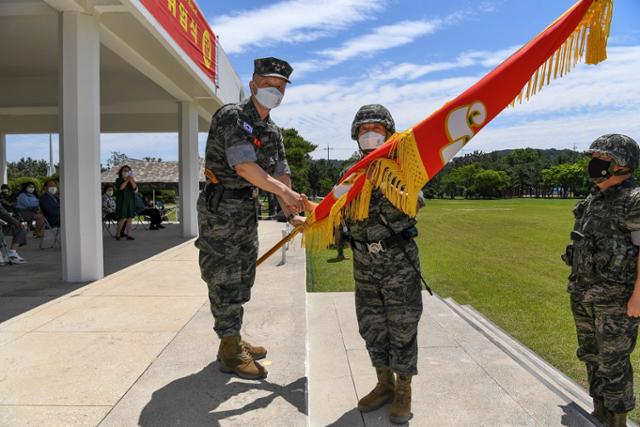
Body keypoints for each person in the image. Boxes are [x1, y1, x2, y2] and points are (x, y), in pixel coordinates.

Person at [305, 105, 424, 424]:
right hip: (364, 264)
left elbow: (415, 204)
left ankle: (403, 389)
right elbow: (336, 212)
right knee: (372, 327)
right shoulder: (349, 173)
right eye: (363, 129)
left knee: (402, 327)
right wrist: (312, 216)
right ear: (356, 136)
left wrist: (381, 175)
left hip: (398, 263)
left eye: (376, 128)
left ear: (388, 132)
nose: (369, 133)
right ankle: (384, 383)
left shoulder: (403, 166)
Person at [196, 57, 305, 380]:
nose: (274, 91)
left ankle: (232, 338)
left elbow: (280, 174)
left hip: (246, 210)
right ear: (254, 82)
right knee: (223, 277)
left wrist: (293, 213)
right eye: (268, 84)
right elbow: (245, 167)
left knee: (243, 276)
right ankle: (230, 350)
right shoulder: (232, 116)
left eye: (281, 87)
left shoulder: (272, 131)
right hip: (221, 210)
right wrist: (285, 196)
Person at [564, 134, 640, 427]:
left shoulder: (633, 201)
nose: (595, 165)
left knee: (614, 362)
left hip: (616, 300)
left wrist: (637, 297)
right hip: (583, 294)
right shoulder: (593, 199)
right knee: (590, 354)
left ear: (622, 164)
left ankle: (618, 419)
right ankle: (600, 412)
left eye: (603, 159)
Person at [114, 165, 136, 241]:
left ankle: (129, 235)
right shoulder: (118, 180)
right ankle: (118, 234)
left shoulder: (132, 180)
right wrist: (126, 181)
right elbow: (121, 188)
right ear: (121, 172)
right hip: (122, 201)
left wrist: (131, 180)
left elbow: (134, 188)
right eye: (124, 170)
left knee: (130, 218)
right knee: (123, 218)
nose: (126, 172)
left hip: (130, 201)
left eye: (128, 170)